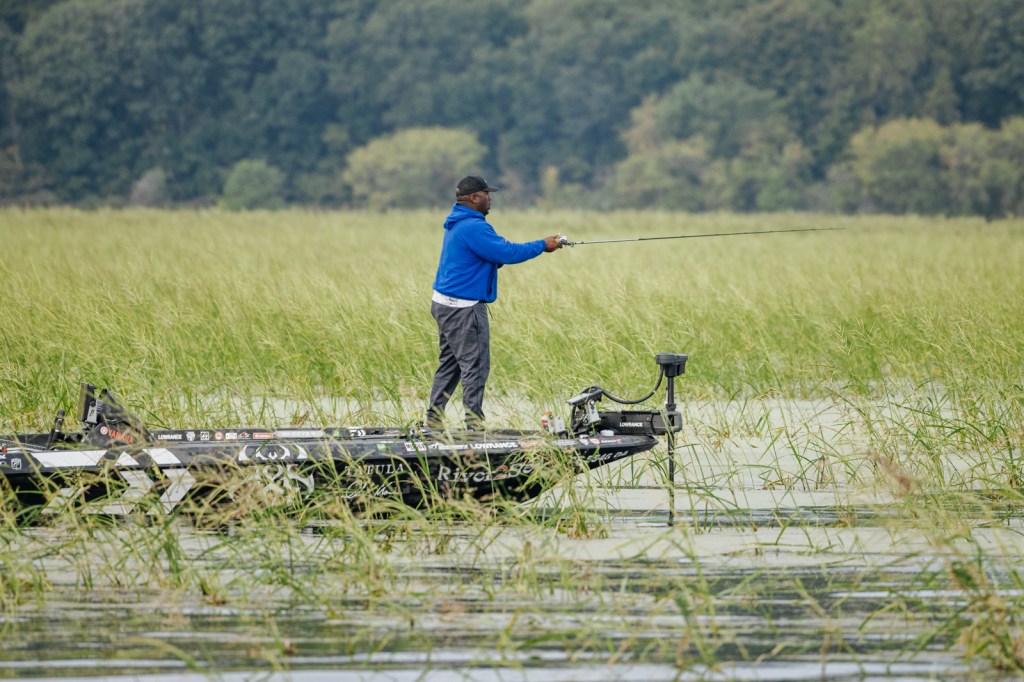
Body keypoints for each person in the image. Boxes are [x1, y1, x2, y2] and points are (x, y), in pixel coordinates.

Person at [427, 175, 562, 430]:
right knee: (475, 366)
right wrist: (542, 245)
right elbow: (507, 253)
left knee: (450, 365)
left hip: (443, 303)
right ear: (474, 198)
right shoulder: (474, 227)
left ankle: (433, 422)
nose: (490, 199)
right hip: (464, 308)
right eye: (486, 194)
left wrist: (498, 257)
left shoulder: (458, 222)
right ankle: (474, 426)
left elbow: (486, 256)